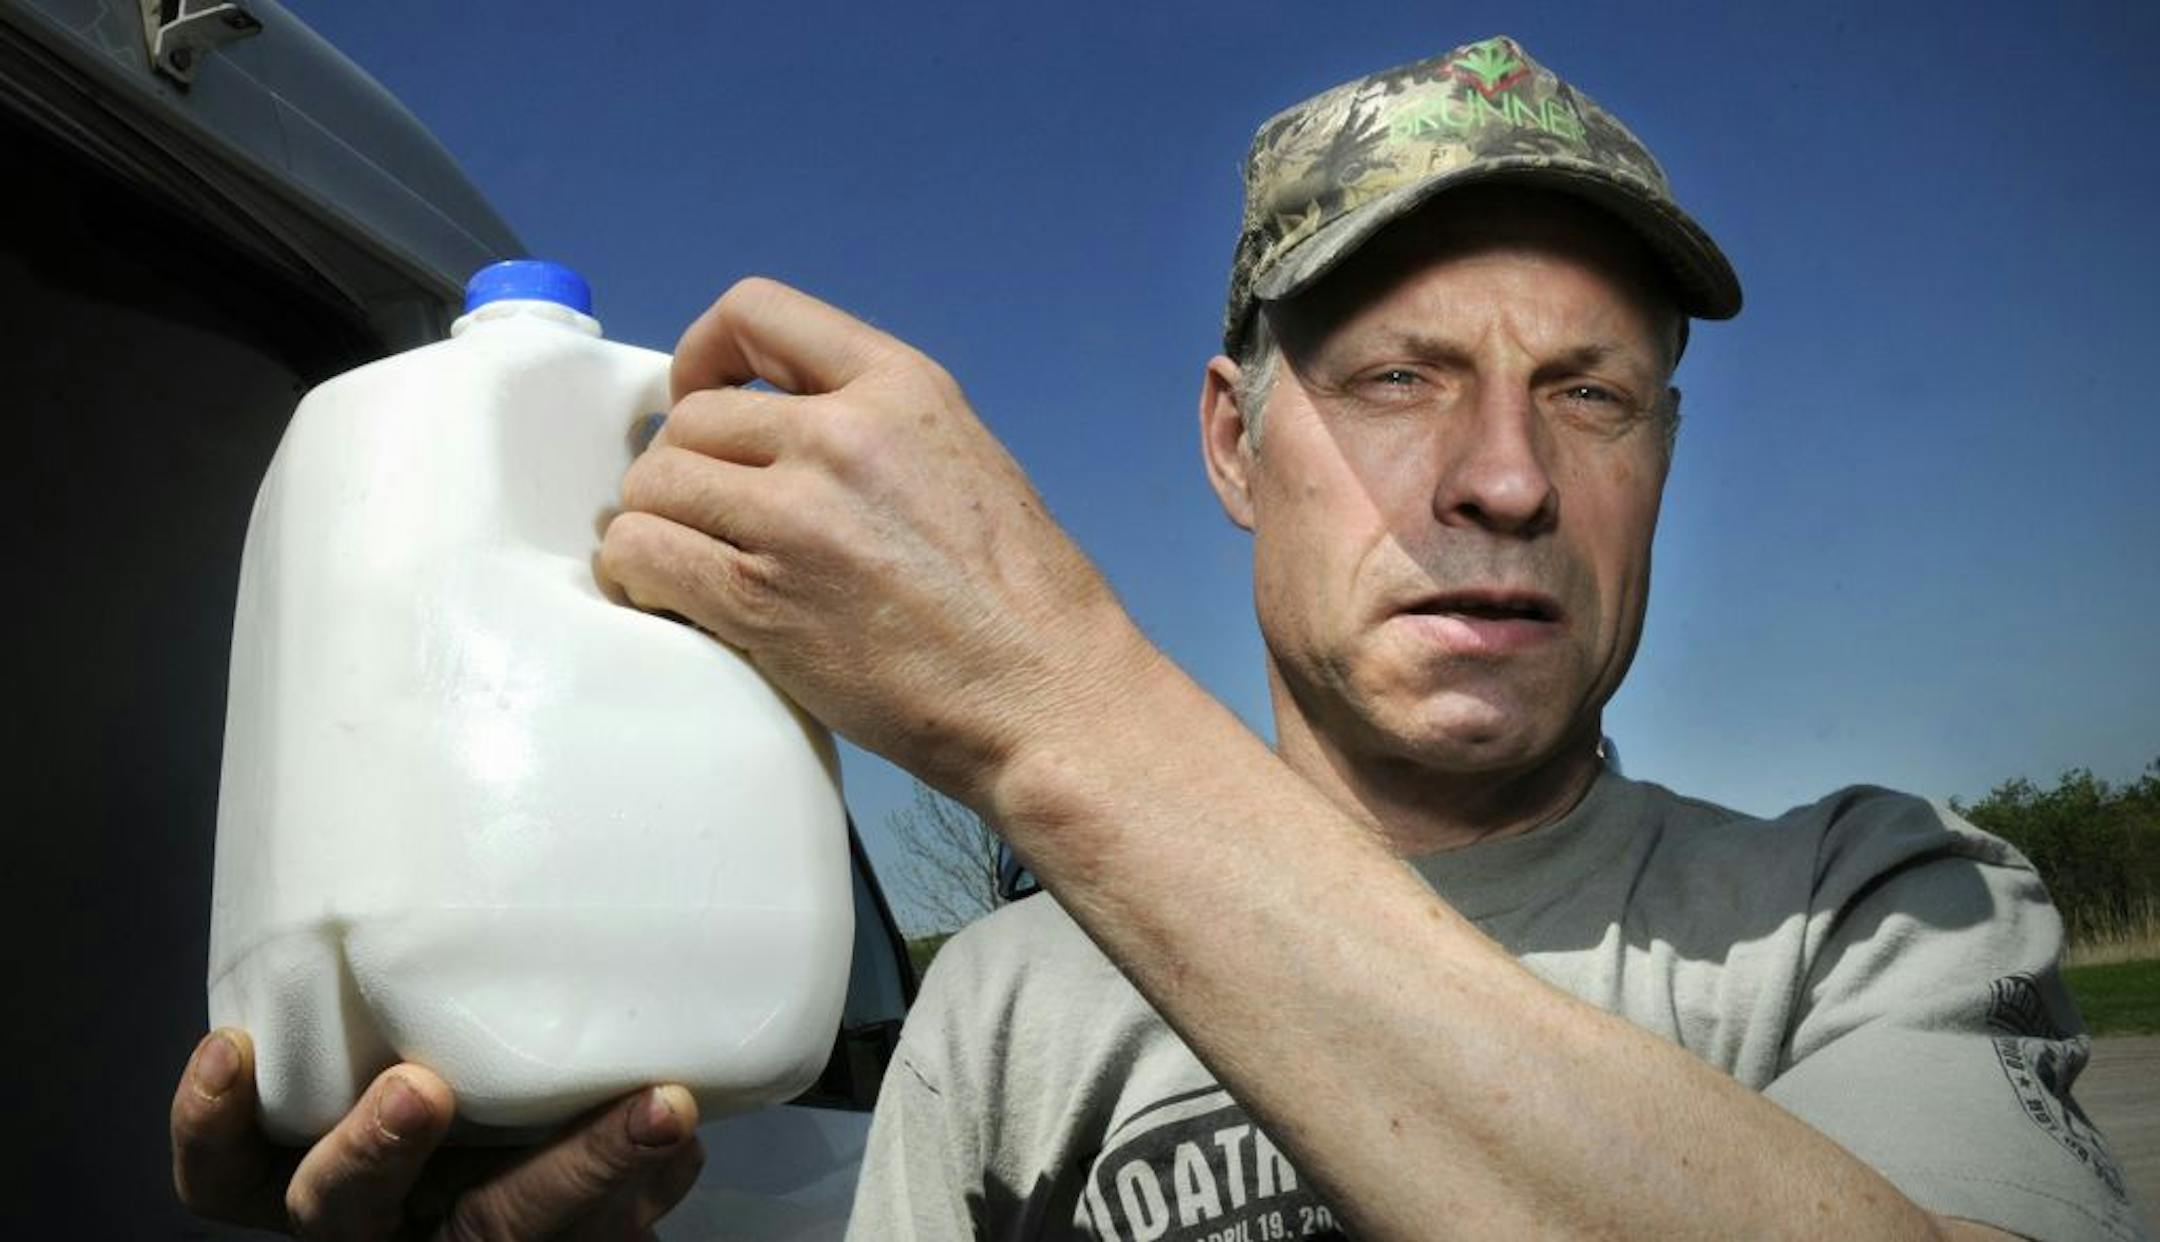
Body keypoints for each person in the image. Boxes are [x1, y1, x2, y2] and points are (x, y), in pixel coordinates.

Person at [173, 35, 2146, 1241]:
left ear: (1665, 458)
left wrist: (1047, 701)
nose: (1505, 479)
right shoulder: (1000, 1009)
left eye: (1593, 394)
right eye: (1398, 378)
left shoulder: (1875, 905)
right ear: (1230, 442)